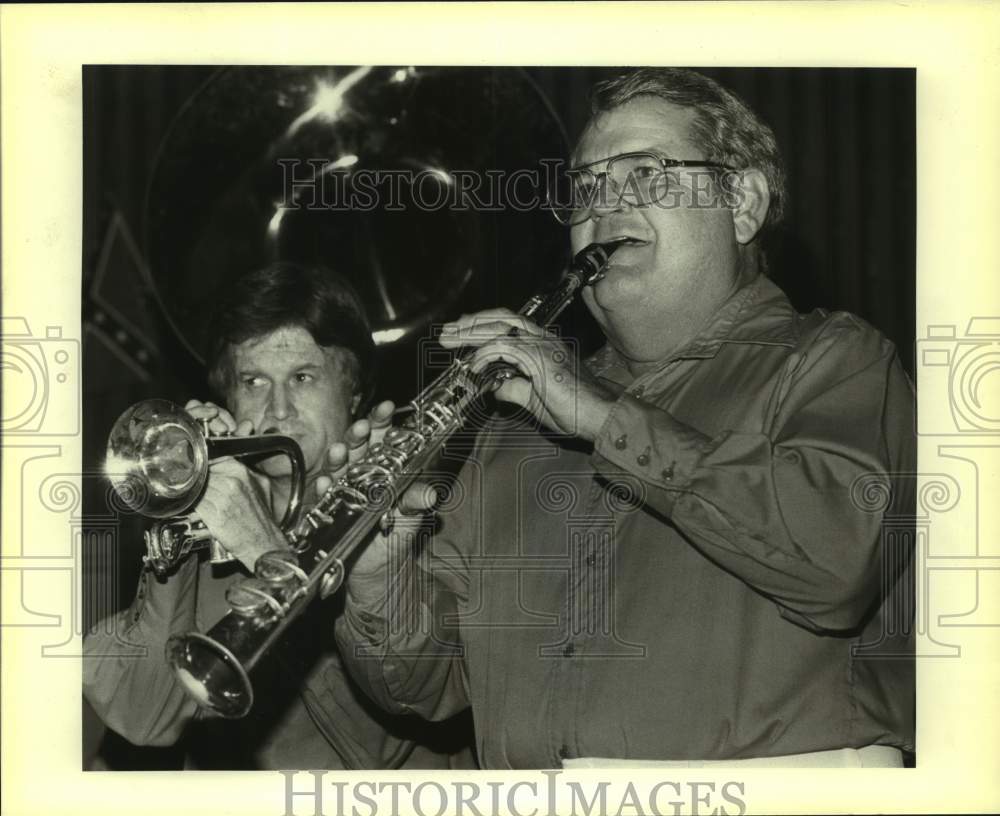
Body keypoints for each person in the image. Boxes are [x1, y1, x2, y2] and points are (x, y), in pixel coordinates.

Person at [333, 68, 916, 769]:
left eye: (645, 174)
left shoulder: (835, 359)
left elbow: (833, 563)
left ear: (743, 204)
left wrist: (601, 417)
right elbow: (431, 687)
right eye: (586, 187)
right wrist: (379, 575)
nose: (605, 205)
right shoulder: (515, 427)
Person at [83, 261, 474, 769]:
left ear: (354, 392)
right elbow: (144, 718)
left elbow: (422, 701)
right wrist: (178, 516)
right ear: (228, 394)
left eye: (303, 377)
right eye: (253, 381)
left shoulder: (418, 503)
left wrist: (265, 550)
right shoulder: (211, 519)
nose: (279, 409)